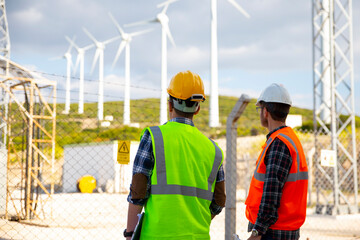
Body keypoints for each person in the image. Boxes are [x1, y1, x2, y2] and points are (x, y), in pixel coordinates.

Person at [123, 70, 226, 240]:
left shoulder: (154, 137)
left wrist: (129, 233)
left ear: (169, 104)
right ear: (198, 108)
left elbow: (138, 192)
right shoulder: (213, 149)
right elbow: (219, 201)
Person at [245, 83, 308, 240]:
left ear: (265, 112)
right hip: (286, 230)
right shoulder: (289, 139)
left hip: (273, 232)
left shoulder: (279, 143)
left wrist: (256, 232)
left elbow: (271, 194)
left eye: (260, 109)